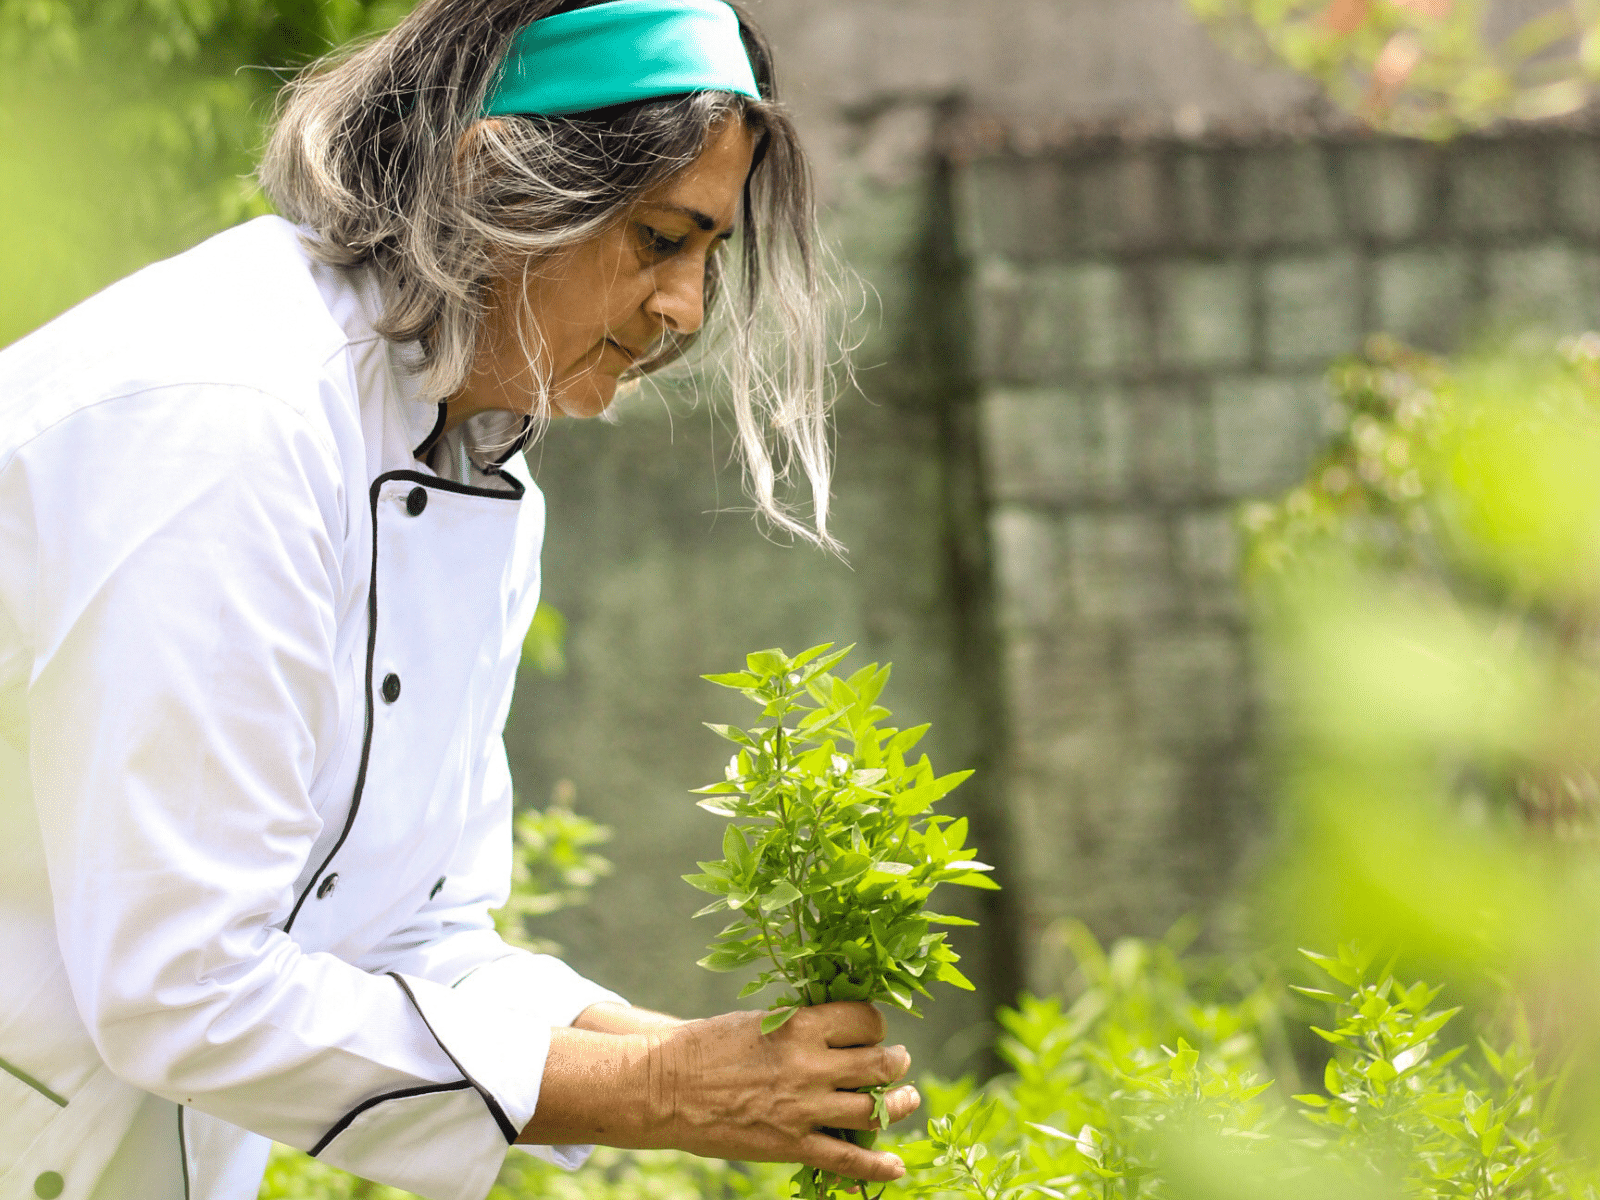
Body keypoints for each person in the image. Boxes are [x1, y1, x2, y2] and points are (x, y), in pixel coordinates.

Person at [0, 2, 920, 1198]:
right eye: (658, 239)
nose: (685, 309)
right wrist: (670, 1094)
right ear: (502, 184)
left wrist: (733, 1067)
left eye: (709, 258)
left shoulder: (475, 462)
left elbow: (407, 934)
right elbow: (188, 985)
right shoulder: (231, 418)